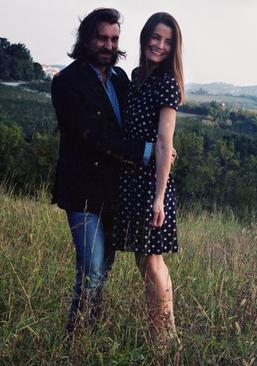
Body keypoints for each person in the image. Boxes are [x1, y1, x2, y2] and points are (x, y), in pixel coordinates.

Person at [51, 8, 157, 334]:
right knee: (92, 270)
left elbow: (134, 122)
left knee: (102, 270)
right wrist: (147, 152)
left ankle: (87, 332)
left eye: (114, 39)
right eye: (102, 38)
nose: (108, 45)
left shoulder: (120, 78)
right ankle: (76, 339)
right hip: (82, 192)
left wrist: (161, 142)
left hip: (114, 192)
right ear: (86, 38)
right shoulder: (67, 82)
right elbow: (92, 137)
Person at [111, 12, 184, 349]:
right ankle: (164, 332)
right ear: (144, 37)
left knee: (152, 262)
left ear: (173, 49)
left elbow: (165, 141)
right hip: (131, 180)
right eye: (156, 37)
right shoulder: (137, 77)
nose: (160, 45)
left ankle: (164, 337)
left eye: (168, 42)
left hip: (152, 185)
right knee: (147, 261)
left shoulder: (168, 83)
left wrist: (159, 196)